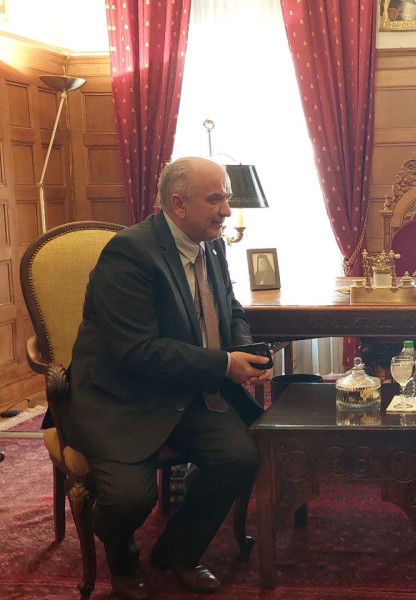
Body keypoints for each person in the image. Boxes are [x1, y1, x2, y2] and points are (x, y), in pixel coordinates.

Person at [65, 157, 272, 600]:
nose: (227, 211)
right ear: (178, 204)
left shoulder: (210, 244)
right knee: (128, 500)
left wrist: (247, 350)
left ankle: (178, 552)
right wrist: (223, 364)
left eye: (226, 199)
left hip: (186, 391)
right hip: (125, 398)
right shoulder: (129, 253)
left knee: (241, 458)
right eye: (215, 199)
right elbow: (136, 352)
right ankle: (122, 559)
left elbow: (230, 307)